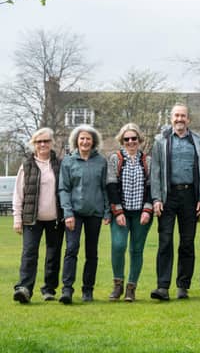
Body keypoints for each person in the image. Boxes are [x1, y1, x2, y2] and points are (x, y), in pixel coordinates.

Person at [150, 103, 200, 301]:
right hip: (168, 196)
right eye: (176, 116)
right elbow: (155, 171)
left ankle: (183, 286)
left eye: (183, 116)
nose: (179, 119)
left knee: (187, 242)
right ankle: (162, 287)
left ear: (188, 119)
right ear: (171, 118)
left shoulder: (198, 141)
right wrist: (156, 198)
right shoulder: (160, 141)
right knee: (165, 241)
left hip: (190, 196)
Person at [58, 125, 110, 304]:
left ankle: (88, 289)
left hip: (95, 213)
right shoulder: (68, 161)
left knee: (91, 252)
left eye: (88, 138)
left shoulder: (101, 162)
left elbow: (105, 188)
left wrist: (107, 211)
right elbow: (64, 189)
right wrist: (68, 213)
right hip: (74, 213)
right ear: (76, 141)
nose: (85, 141)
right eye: (82, 138)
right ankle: (67, 289)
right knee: (71, 249)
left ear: (93, 141)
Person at [12, 128, 64, 303]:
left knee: (53, 255)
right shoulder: (26, 165)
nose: (43, 144)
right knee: (29, 253)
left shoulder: (59, 164)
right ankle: (24, 288)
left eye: (46, 141)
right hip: (32, 219)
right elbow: (18, 194)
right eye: (39, 141)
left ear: (52, 143)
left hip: (55, 219)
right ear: (34, 144)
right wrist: (17, 218)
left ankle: (49, 289)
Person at [106, 123, 153, 302]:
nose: (131, 142)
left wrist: (147, 210)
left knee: (136, 249)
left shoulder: (147, 160)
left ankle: (131, 288)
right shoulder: (115, 159)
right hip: (122, 212)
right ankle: (117, 284)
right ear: (122, 140)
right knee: (118, 246)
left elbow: (151, 185)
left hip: (142, 213)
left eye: (134, 138)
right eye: (127, 139)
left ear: (139, 140)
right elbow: (110, 185)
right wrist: (117, 212)